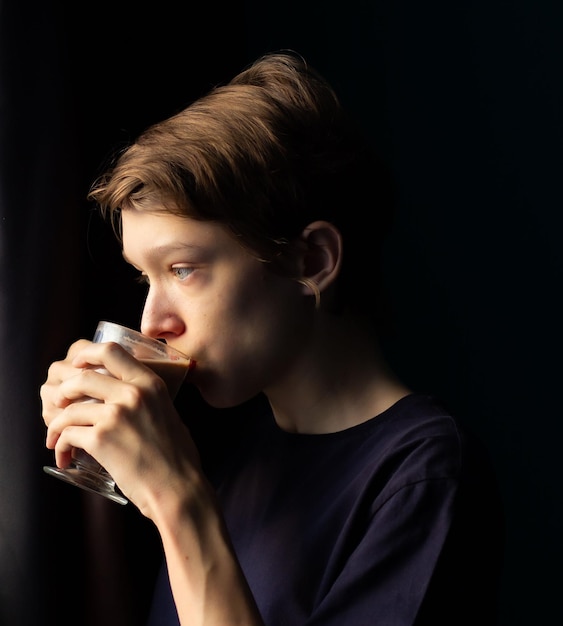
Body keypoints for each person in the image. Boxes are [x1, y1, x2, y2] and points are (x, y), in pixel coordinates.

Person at [41, 51, 504, 625]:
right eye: (146, 277)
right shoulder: (243, 453)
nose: (152, 320)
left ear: (313, 259)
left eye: (182, 270)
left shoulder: (422, 475)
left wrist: (177, 500)